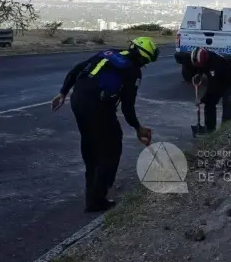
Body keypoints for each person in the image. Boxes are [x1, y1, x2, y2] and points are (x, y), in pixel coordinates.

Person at [50, 36, 160, 212]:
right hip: (98, 107)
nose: (144, 65)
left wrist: (63, 92)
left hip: (77, 100)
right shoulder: (132, 71)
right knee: (111, 148)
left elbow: (77, 69)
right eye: (145, 61)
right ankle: (97, 199)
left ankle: (91, 195)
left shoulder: (109, 53)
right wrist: (138, 128)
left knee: (90, 145)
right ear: (143, 57)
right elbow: (127, 106)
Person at [190, 47, 231, 133]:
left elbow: (213, 87)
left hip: (229, 80)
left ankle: (225, 128)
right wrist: (198, 74)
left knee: (226, 100)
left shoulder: (216, 63)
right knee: (209, 103)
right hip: (217, 79)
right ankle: (210, 128)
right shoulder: (204, 58)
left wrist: (201, 99)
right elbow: (201, 66)